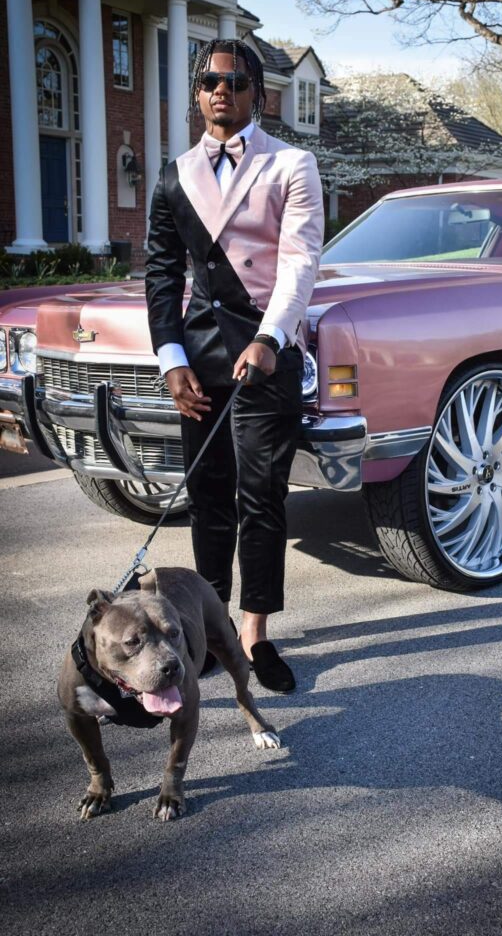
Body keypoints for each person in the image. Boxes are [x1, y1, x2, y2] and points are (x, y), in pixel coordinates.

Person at [145, 38, 324, 692]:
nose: (221, 88)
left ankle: (254, 635)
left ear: (258, 93)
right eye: (209, 79)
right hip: (198, 359)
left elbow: (300, 260)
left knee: (261, 499)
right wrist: (170, 359)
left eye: (235, 80)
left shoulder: (293, 164)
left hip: (266, 355)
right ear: (197, 93)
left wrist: (273, 336)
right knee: (208, 499)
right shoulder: (172, 174)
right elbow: (162, 275)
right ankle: (208, 630)